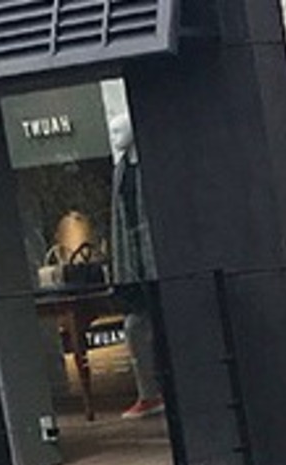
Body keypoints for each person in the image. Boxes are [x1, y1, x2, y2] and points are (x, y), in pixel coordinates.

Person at [108, 113, 163, 421]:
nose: (114, 136)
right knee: (134, 327)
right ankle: (149, 394)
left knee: (161, 327)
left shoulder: (151, 166)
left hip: (159, 263)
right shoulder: (120, 171)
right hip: (136, 266)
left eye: (119, 130)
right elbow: (120, 220)